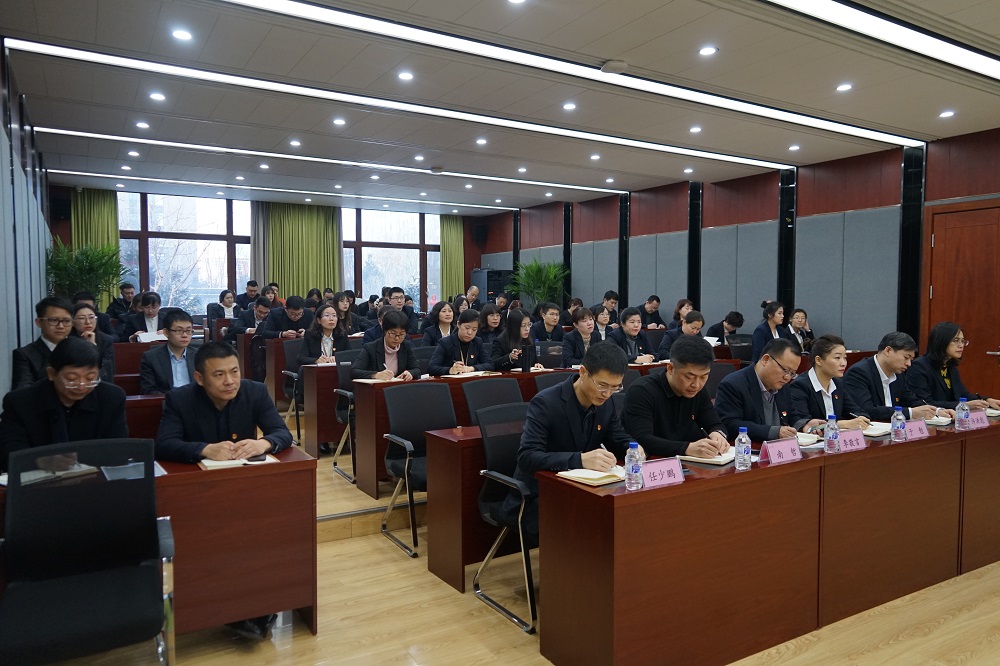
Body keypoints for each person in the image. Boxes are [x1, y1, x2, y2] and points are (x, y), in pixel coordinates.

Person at [154, 342, 291, 640]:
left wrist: (263, 443)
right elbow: (164, 444)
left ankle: (258, 606)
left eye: (234, 371)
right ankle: (228, 609)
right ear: (199, 378)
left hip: (245, 491)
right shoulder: (179, 399)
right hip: (197, 495)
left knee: (264, 537)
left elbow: (283, 433)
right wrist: (204, 449)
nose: (230, 381)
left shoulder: (254, 391)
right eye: (219, 375)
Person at [502, 342, 633, 541]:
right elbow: (527, 457)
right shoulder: (546, 403)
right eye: (602, 385)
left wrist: (633, 449)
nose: (607, 394)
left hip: (585, 490)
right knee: (598, 523)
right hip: (540, 495)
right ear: (583, 372)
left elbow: (618, 437)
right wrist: (579, 460)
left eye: (615, 387)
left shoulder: (606, 403)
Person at [0, 336, 128, 472]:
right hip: (38, 480)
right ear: (51, 373)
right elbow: (8, 454)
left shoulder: (111, 398)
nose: (81, 386)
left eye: (90, 378)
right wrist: (39, 460)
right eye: (71, 379)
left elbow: (119, 450)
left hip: (95, 478)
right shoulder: (20, 402)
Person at [624, 335, 729, 458]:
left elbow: (715, 423)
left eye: (703, 376)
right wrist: (687, 448)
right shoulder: (642, 391)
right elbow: (642, 439)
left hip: (692, 463)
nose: (696, 384)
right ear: (670, 368)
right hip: (654, 462)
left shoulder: (698, 391)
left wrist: (718, 434)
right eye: (689, 377)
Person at [844, 331, 953, 422]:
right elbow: (867, 411)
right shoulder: (859, 373)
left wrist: (937, 411)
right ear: (888, 351)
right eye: (906, 357)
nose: (909, 364)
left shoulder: (898, 374)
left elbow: (911, 400)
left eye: (911, 360)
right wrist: (911, 413)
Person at [714, 337, 800, 441]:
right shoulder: (733, 385)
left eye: (792, 373)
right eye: (785, 370)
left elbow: (790, 415)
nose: (787, 377)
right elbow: (729, 425)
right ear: (765, 360)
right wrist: (772, 432)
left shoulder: (782, 386)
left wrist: (805, 425)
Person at [907, 322, 1000, 411]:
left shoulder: (949, 365)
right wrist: (964, 405)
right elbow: (925, 403)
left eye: (962, 341)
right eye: (956, 341)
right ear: (941, 342)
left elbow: (963, 394)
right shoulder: (919, 367)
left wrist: (986, 400)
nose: (961, 345)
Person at [787, 334, 871, 432]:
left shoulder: (837, 384)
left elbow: (856, 411)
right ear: (818, 360)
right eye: (837, 358)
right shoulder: (800, 386)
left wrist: (861, 418)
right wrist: (842, 424)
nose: (843, 363)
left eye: (845, 358)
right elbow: (803, 423)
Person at [11, 296, 75, 390]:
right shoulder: (24, 355)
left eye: (66, 321)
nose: (61, 326)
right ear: (38, 322)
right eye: (54, 320)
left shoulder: (80, 349)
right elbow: (23, 390)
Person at [351, 310, 420, 381]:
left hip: (399, 386)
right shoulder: (371, 348)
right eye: (393, 333)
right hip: (379, 386)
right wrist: (375, 375)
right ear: (384, 331)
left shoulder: (405, 346)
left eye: (402, 334)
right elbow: (354, 372)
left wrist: (410, 373)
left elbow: (416, 369)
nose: (397, 338)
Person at [139, 310, 197, 395]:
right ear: (166, 332)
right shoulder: (151, 357)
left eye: (188, 331)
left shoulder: (199, 355)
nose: (185, 335)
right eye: (179, 330)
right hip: (166, 401)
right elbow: (148, 390)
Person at [428, 309, 494, 375]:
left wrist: (472, 368)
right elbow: (432, 368)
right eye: (467, 328)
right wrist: (450, 370)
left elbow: (490, 364)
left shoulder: (477, 342)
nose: (470, 332)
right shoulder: (445, 343)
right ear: (458, 324)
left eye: (474, 329)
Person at [70, 302, 116, 382]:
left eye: (91, 317)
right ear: (73, 322)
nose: (88, 322)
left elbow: (107, 370)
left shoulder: (106, 340)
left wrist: (93, 347)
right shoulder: (67, 340)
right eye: (82, 318)